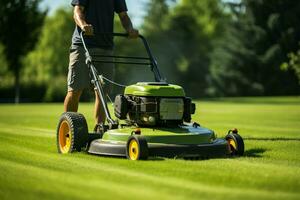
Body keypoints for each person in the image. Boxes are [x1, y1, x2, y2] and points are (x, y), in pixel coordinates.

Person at [64, 0, 139, 130]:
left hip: (106, 47)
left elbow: (124, 16)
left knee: (102, 92)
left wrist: (130, 29)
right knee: (75, 89)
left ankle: (99, 129)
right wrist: (83, 25)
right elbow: (77, 11)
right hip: (83, 45)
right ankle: (68, 129)